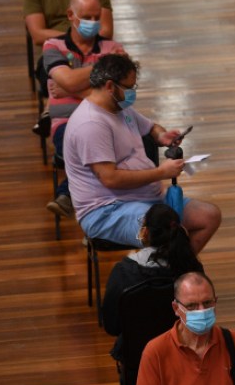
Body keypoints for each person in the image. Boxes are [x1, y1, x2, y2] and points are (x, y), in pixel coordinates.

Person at [63, 54, 222, 255]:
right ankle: (167, 276)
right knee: (170, 232)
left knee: (208, 216)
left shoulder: (119, 108)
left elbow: (150, 127)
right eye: (129, 88)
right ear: (110, 86)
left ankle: (168, 274)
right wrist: (161, 172)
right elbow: (110, 178)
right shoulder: (91, 124)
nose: (132, 93)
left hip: (146, 200)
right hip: (107, 212)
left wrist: (162, 136)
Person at [101, 202, 204, 385]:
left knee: (128, 354)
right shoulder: (191, 269)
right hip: (186, 350)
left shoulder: (124, 271)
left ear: (145, 232)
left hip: (139, 356)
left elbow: (111, 326)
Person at [41, 0, 126, 219]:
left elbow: (122, 98)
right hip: (67, 124)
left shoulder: (112, 47)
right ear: (71, 15)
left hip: (109, 125)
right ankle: (99, 218)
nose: (93, 23)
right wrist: (105, 69)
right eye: (86, 17)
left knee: (114, 150)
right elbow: (66, 81)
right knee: (94, 152)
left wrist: (73, 90)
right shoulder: (53, 46)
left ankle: (67, 195)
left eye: (96, 17)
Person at [22, 0, 114, 139]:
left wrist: (81, 36)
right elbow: (37, 34)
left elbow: (106, 31)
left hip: (94, 50)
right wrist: (73, 36)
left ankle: (53, 111)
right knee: (54, 70)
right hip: (56, 51)